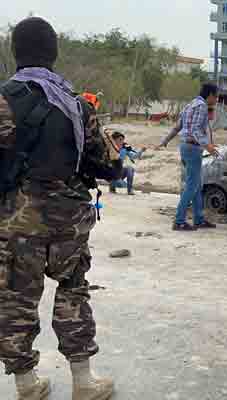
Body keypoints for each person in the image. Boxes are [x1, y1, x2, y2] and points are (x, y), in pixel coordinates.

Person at [0, 17, 121, 400]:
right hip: (69, 218)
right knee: (73, 289)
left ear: (14, 52)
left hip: (18, 217)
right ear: (54, 53)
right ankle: (84, 382)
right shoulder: (75, 103)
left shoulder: (3, 101)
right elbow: (106, 164)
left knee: (17, 297)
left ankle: (26, 385)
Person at [173, 83, 220, 231]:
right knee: (192, 186)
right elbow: (195, 130)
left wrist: (165, 141)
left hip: (187, 146)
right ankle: (179, 220)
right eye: (216, 96)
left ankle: (199, 219)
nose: (217, 100)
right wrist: (209, 146)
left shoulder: (190, 104)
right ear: (210, 95)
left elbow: (179, 126)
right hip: (192, 148)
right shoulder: (202, 106)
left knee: (197, 185)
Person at [108, 131, 146, 195]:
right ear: (114, 140)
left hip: (119, 172)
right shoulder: (109, 148)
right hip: (111, 174)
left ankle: (129, 190)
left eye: (122, 140)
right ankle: (112, 186)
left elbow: (134, 156)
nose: (122, 142)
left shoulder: (124, 149)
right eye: (120, 140)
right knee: (120, 184)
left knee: (130, 168)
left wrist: (141, 150)